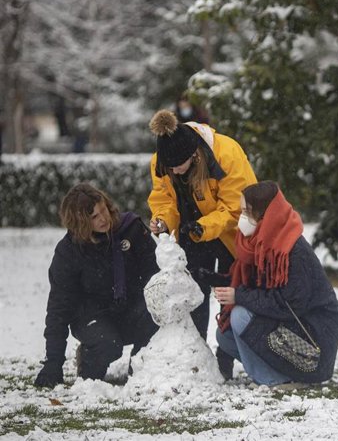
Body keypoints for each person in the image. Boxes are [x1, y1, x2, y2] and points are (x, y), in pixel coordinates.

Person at [206, 181, 338, 386]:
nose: (242, 217)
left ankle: (273, 380)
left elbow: (289, 304)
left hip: (314, 341)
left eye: (247, 211)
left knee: (240, 316)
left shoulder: (292, 250)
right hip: (289, 327)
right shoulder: (259, 244)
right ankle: (282, 374)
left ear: (265, 214)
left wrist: (239, 295)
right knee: (225, 336)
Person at [34, 183, 159, 388]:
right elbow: (59, 308)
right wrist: (53, 363)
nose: (104, 219)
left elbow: (155, 275)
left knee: (156, 314)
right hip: (92, 316)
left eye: (103, 210)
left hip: (131, 307)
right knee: (107, 346)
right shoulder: (69, 252)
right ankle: (88, 360)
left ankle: (140, 370)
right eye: (94, 217)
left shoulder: (131, 228)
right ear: (80, 223)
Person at [147, 109, 257, 342]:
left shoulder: (226, 153)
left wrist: (204, 226)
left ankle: (227, 355)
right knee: (194, 291)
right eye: (170, 168)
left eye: (178, 166)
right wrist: (163, 219)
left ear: (194, 156)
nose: (174, 171)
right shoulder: (162, 161)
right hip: (192, 233)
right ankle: (198, 353)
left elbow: (235, 207)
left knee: (229, 291)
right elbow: (163, 198)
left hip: (231, 233)